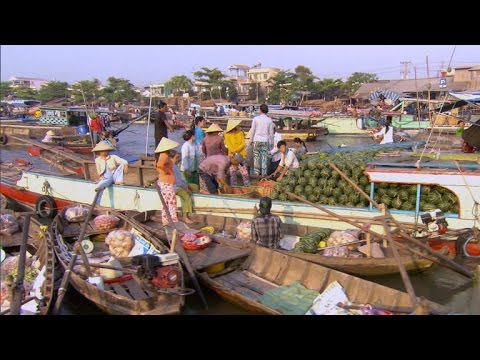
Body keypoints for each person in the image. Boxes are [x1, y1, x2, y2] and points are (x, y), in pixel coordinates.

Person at [155, 137, 180, 226]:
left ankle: (165, 220)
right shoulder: (164, 155)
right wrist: (166, 171)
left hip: (164, 181)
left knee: (166, 201)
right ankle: (173, 220)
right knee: (171, 201)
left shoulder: (161, 155)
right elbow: (160, 165)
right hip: (167, 182)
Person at [169, 150, 198, 224]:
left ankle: (197, 199)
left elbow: (181, 180)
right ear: (171, 158)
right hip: (174, 187)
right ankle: (185, 217)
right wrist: (186, 188)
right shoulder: (172, 167)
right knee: (186, 196)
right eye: (177, 157)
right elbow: (178, 182)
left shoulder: (175, 166)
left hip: (179, 184)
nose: (179, 159)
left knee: (195, 186)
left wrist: (186, 185)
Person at [248, 104, 275, 177]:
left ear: (260, 110)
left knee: (256, 157)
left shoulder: (256, 119)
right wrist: (272, 142)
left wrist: (250, 140)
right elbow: (271, 133)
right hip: (265, 141)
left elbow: (252, 130)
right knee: (264, 158)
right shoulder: (269, 120)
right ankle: (263, 175)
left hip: (256, 140)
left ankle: (256, 174)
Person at [224, 119, 249, 186]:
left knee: (244, 172)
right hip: (232, 157)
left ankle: (247, 186)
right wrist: (233, 151)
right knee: (232, 172)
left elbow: (243, 143)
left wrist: (236, 150)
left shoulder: (240, 133)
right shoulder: (227, 134)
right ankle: (234, 186)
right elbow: (228, 145)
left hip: (242, 155)